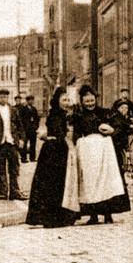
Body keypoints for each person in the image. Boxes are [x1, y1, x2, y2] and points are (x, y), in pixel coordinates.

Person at [73, 84, 130, 225]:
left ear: (95, 100)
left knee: (106, 182)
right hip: (88, 155)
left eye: (92, 101)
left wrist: (112, 130)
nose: (90, 104)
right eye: (87, 102)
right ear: (82, 101)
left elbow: (122, 125)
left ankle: (108, 214)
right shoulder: (78, 116)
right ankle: (93, 215)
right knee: (90, 183)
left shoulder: (106, 113)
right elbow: (76, 133)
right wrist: (78, 142)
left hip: (105, 154)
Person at [26, 86, 79, 228]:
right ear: (57, 101)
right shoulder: (55, 114)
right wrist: (65, 138)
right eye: (63, 100)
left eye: (68, 99)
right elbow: (58, 133)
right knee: (53, 184)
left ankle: (60, 216)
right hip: (54, 152)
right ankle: (52, 217)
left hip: (59, 150)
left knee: (60, 183)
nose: (66, 102)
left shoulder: (64, 114)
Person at [0, 89, 28, 201]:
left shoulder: (13, 110)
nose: (3, 98)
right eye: (1, 96)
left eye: (5, 96)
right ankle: (3, 192)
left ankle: (14, 191)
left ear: (8, 97)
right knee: (1, 168)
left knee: (14, 168)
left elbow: (20, 126)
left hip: (12, 142)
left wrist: (22, 139)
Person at [19, 95, 40, 162]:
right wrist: (22, 128)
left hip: (33, 129)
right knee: (24, 144)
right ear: (27, 101)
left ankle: (32, 158)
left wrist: (36, 126)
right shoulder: (23, 109)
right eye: (30, 100)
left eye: (32, 100)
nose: (32, 101)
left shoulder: (34, 109)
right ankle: (24, 158)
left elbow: (37, 118)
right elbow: (21, 119)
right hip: (25, 129)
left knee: (33, 144)